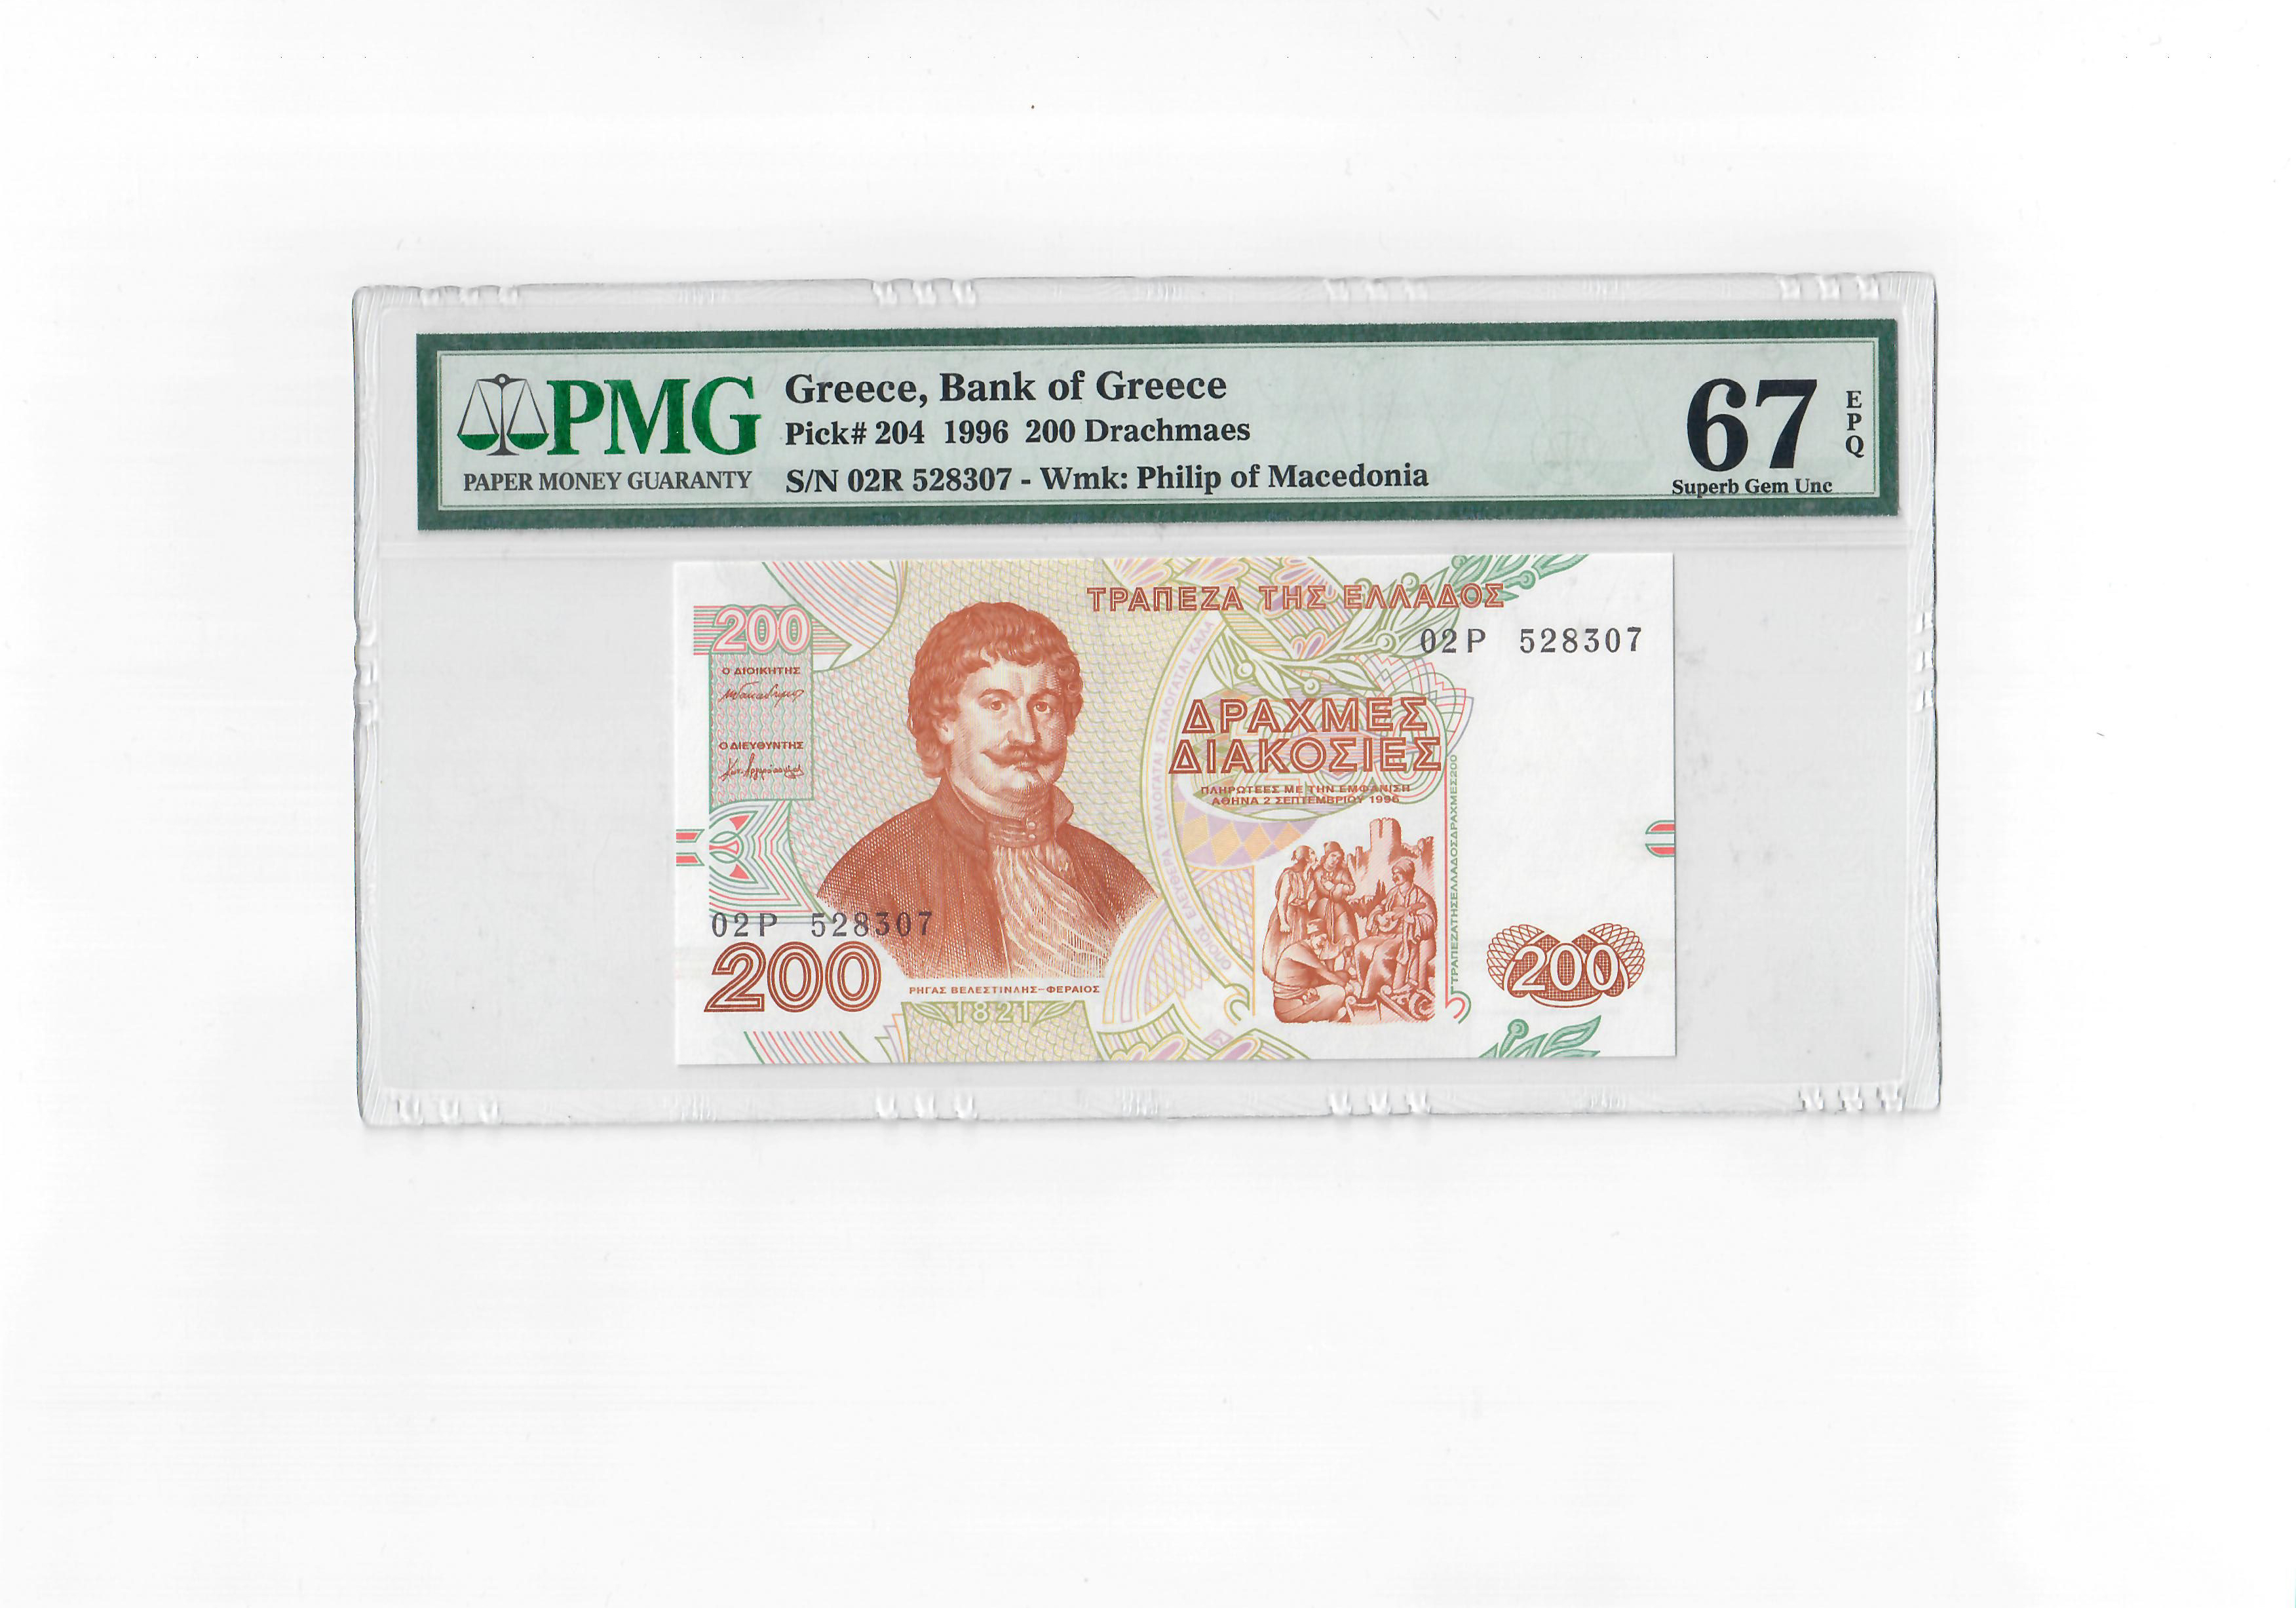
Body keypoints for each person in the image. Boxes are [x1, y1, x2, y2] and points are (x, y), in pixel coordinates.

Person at [816, 601, 1154, 978]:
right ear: (945, 721)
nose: (1026, 735)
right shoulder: (875, 878)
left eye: (1044, 706)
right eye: (997, 705)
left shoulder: (1116, 878)